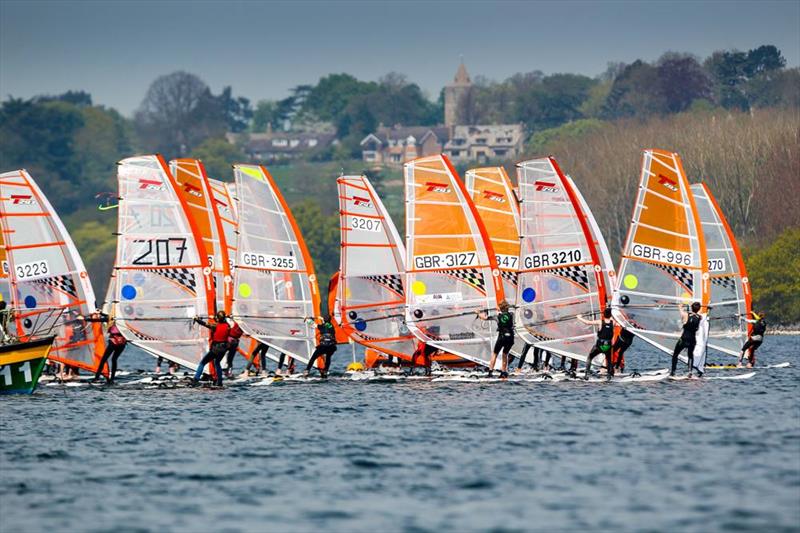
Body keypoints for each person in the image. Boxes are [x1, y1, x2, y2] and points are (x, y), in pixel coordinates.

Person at [82, 310, 127, 384]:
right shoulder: (123, 320)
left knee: (104, 359)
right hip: (122, 342)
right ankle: (111, 379)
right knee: (114, 359)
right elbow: (103, 317)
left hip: (114, 342)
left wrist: (86, 319)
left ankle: (97, 378)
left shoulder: (111, 319)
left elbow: (98, 320)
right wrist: (100, 313)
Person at [193, 311, 231, 386]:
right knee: (217, 363)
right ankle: (219, 381)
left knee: (203, 363)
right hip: (223, 349)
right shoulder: (228, 326)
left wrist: (197, 319)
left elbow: (204, 324)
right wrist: (216, 317)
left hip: (215, 348)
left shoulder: (215, 326)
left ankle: (196, 379)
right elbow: (222, 321)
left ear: (218, 318)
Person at [577, 307, 616, 379]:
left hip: (599, 346)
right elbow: (614, 318)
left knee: (589, 357)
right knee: (609, 359)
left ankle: (586, 375)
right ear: (610, 315)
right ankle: (609, 376)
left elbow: (587, 323)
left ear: (603, 314)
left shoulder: (600, 322)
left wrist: (579, 317)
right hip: (608, 346)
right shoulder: (613, 322)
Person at [484, 300, 515, 378]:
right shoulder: (512, 314)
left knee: (495, 354)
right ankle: (503, 372)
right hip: (510, 338)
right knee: (505, 354)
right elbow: (508, 316)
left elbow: (485, 318)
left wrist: (478, 313)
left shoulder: (497, 317)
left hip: (502, 337)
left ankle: (490, 372)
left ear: (501, 308)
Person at [671, 302, 703, 377]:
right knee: (690, 356)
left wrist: (680, 306)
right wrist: (693, 306)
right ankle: (690, 372)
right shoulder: (700, 317)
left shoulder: (685, 315)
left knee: (675, 354)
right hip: (692, 340)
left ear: (692, 307)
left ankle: (673, 372)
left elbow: (681, 311)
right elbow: (696, 312)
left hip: (684, 339)